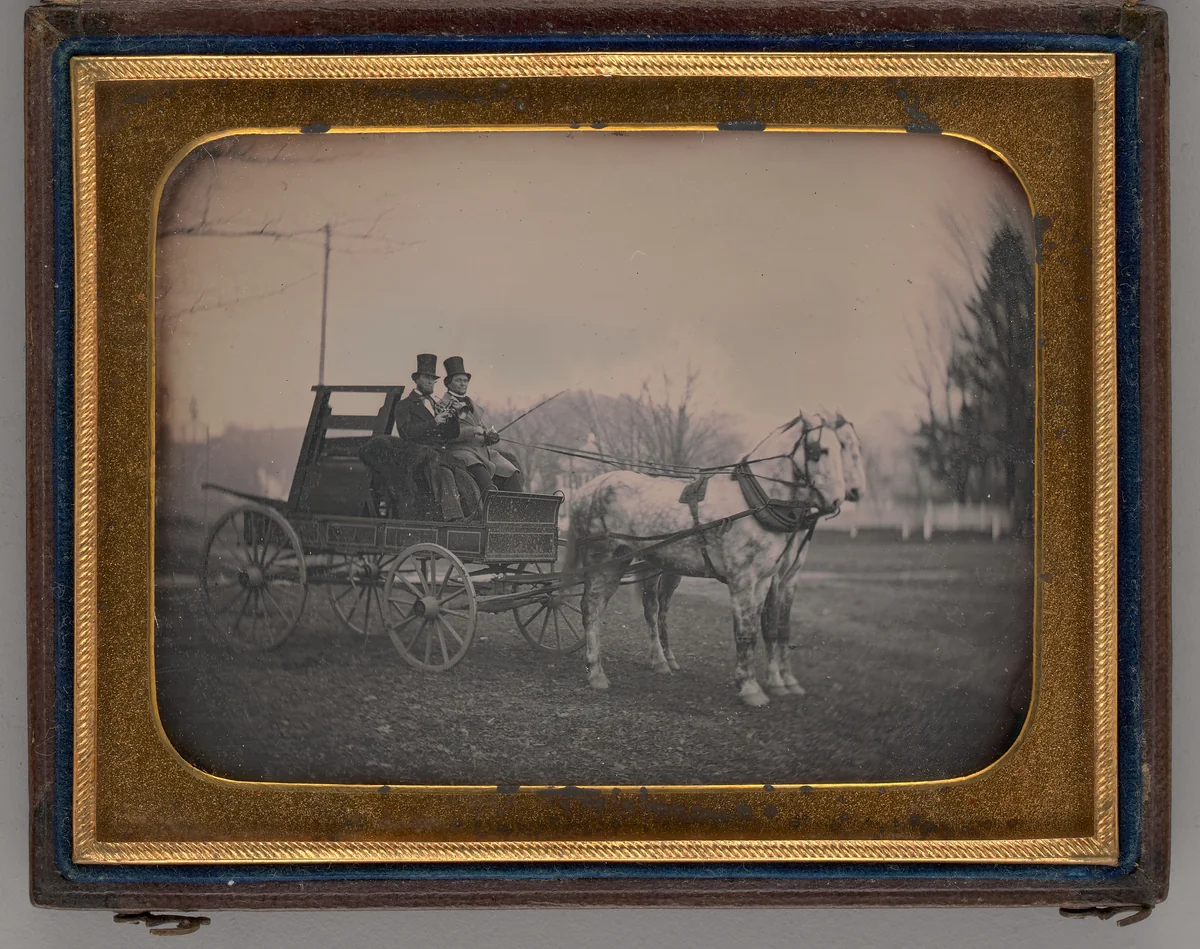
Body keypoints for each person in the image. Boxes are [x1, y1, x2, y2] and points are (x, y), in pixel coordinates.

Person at [440, 356, 525, 496]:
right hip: (462, 452)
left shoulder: (470, 404)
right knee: (487, 485)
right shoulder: (443, 404)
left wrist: (490, 436)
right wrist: (472, 431)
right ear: (448, 383)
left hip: (484, 453)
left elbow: (482, 428)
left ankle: (516, 514)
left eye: (465, 380)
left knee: (512, 473)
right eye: (458, 380)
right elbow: (446, 434)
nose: (463, 384)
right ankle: (490, 515)